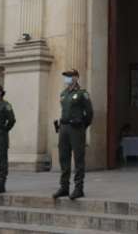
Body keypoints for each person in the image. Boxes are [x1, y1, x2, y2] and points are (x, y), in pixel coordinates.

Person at [53, 69, 94, 200]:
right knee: (63, 158)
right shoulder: (64, 94)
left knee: (78, 158)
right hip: (64, 128)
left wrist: (82, 125)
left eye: (69, 76)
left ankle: (78, 188)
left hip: (76, 129)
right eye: (65, 76)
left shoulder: (82, 94)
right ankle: (64, 187)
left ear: (76, 78)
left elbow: (89, 113)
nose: (66, 78)